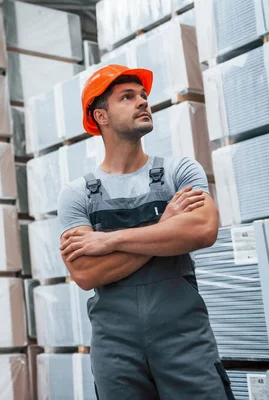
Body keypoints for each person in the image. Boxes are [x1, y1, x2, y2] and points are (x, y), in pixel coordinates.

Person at [57, 64, 235, 399]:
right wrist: (167, 226)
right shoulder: (77, 193)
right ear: (102, 117)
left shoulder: (179, 171)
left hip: (185, 340)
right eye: (127, 97)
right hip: (116, 350)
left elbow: (203, 229)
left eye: (143, 96)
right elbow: (85, 272)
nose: (143, 102)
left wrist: (108, 240)